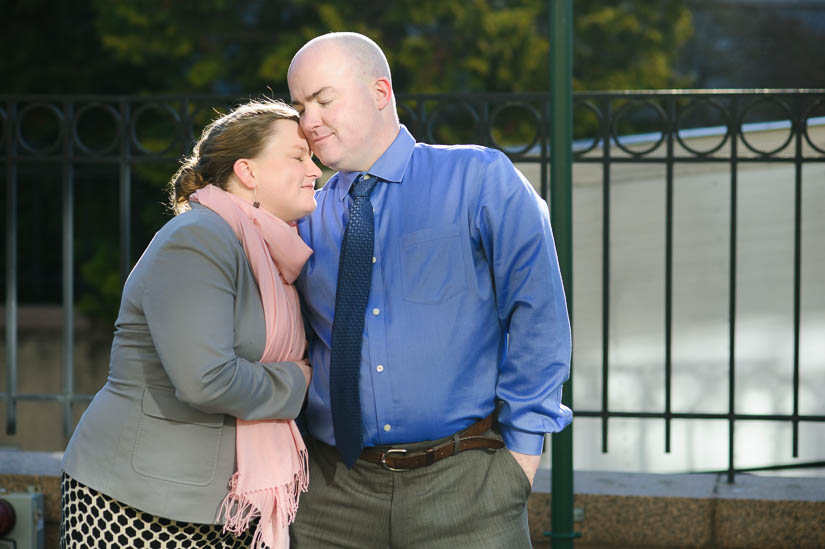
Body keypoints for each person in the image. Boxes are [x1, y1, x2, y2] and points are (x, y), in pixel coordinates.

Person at [287, 32, 572, 548]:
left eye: (323, 100)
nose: (308, 122)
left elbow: (539, 316)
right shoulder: (306, 215)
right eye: (300, 106)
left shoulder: (480, 178)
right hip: (332, 496)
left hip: (467, 490)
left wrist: (521, 461)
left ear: (380, 91)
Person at [60, 98, 322, 549]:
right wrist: (302, 381)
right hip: (140, 504)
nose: (315, 170)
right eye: (298, 157)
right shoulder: (199, 240)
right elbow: (207, 381)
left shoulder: (271, 255)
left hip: (220, 508)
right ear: (248, 172)